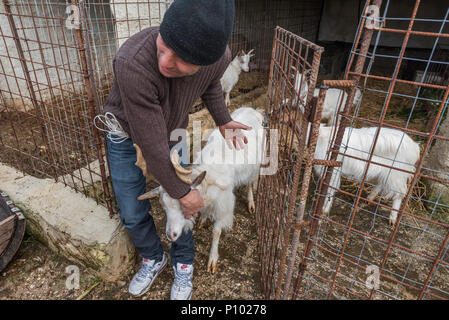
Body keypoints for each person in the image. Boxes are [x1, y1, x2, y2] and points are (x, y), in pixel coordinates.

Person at [100, 0, 250, 300]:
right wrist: (183, 191)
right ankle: (153, 257)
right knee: (132, 209)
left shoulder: (219, 59)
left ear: (207, 61)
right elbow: (153, 145)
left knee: (185, 208)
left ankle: (183, 264)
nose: (165, 61)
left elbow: (209, 86)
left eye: (181, 58)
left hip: (172, 134)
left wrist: (223, 119)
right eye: (164, 44)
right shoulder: (132, 62)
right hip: (125, 135)